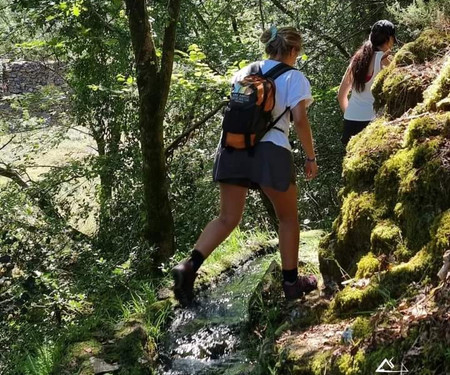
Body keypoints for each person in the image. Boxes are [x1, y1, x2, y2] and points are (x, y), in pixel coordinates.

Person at [172, 26, 318, 307]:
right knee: (287, 218)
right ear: (292, 50)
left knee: (227, 218)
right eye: (297, 52)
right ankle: (291, 284)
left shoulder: (244, 72)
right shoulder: (295, 77)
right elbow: (299, 119)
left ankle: (188, 267)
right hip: (271, 151)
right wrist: (310, 157)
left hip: (232, 148)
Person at [338, 20, 397, 146]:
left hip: (350, 122)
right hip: (372, 122)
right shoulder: (384, 60)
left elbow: (341, 95)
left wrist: (351, 114)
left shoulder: (356, 61)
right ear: (389, 38)